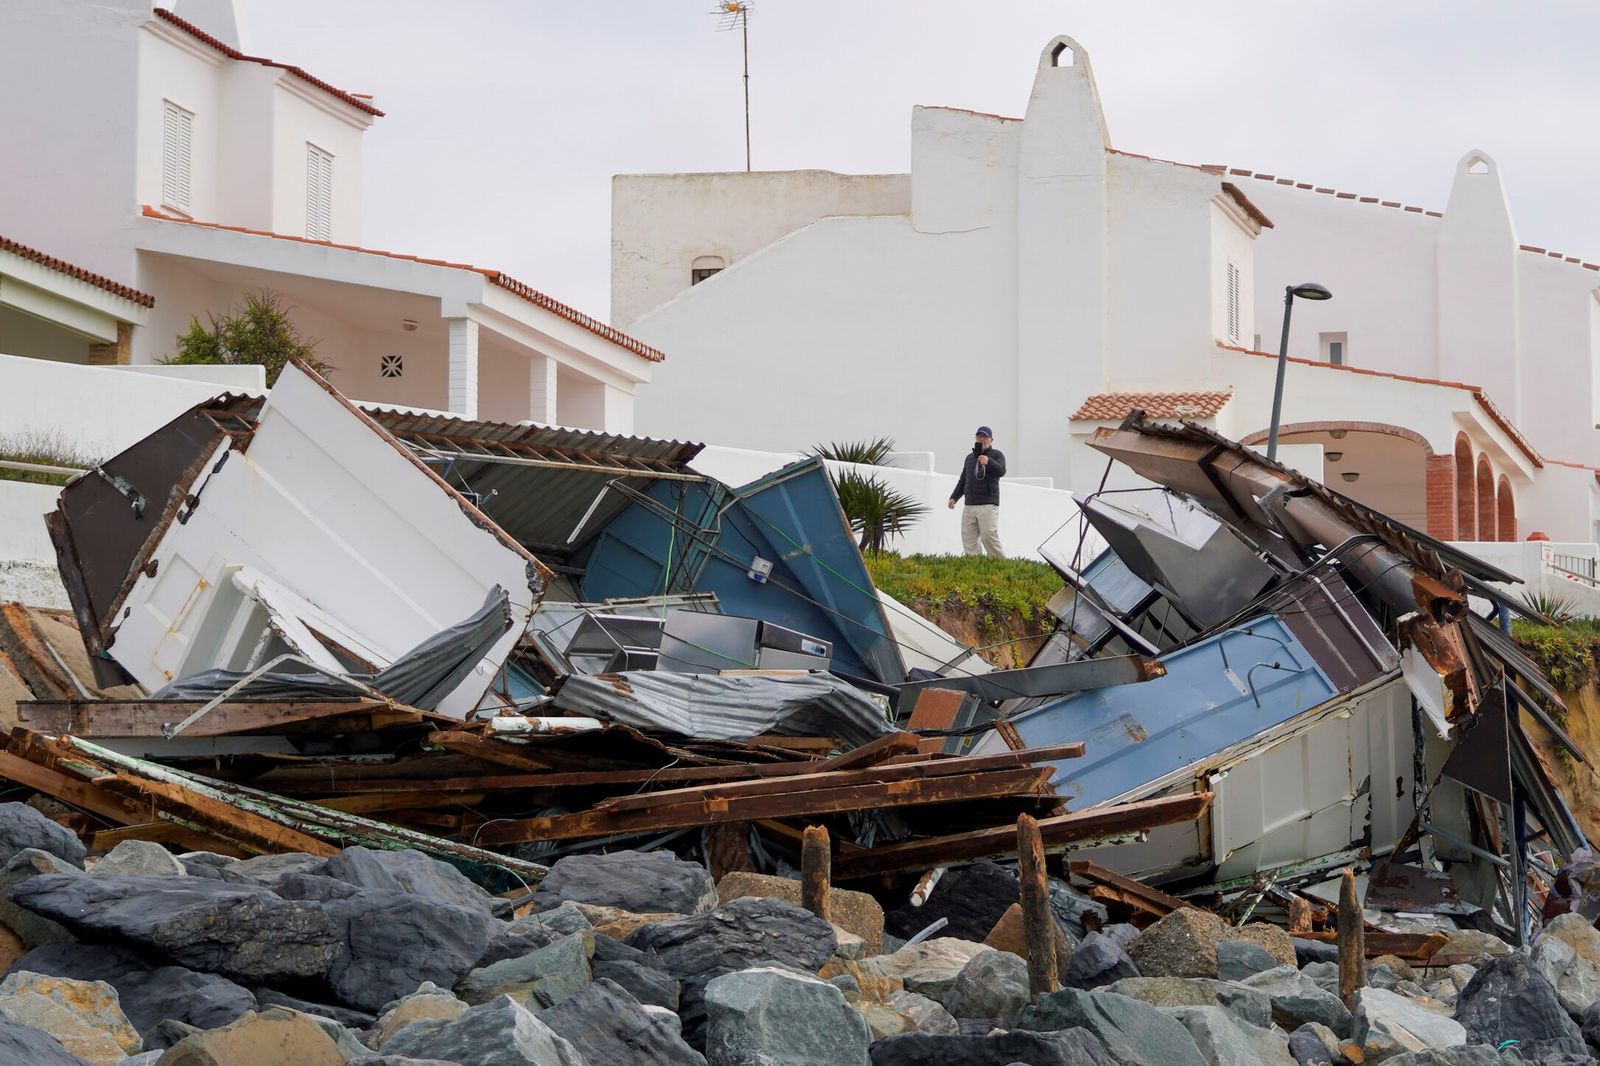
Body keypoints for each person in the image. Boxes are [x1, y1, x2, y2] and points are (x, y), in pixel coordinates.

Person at [947, 425, 1006, 556]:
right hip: (969, 506)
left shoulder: (997, 455)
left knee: (988, 536)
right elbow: (963, 480)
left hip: (988, 504)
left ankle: (1002, 565)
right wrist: (954, 497)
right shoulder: (969, 458)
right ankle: (975, 566)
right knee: (969, 539)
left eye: (985, 437)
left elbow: (1001, 471)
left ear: (991, 439)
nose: (982, 439)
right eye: (979, 437)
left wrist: (988, 462)